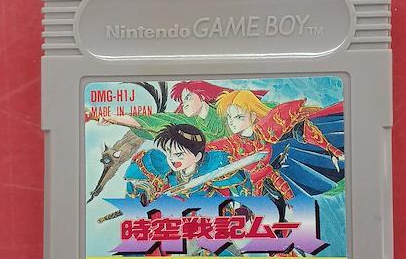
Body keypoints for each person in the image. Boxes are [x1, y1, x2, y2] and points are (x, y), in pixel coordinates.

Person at [209, 90, 345, 214]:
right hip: (247, 194)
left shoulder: (265, 131)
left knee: (291, 209)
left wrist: (331, 149)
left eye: (239, 117)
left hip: (275, 182)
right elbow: (210, 155)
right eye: (229, 117)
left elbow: (300, 127)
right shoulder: (229, 145)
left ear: (253, 115)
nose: (231, 122)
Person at [99, 81, 268, 142]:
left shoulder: (226, 107)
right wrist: (115, 119)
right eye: (182, 100)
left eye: (187, 98)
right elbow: (156, 121)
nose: (184, 104)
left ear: (202, 96)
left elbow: (265, 110)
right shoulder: (190, 124)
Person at [124, 123, 252, 203]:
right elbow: (135, 189)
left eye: (179, 154)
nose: (172, 159)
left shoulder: (213, 165)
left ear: (197, 156)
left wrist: (245, 207)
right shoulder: (162, 167)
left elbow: (243, 182)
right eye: (169, 153)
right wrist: (144, 193)